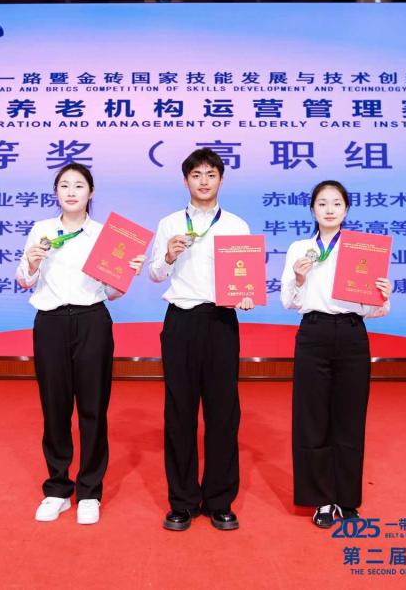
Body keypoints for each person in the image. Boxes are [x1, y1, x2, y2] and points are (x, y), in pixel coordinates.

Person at [15, 163, 146, 525]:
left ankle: (89, 491)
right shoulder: (42, 230)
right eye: (64, 185)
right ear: (56, 192)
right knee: (54, 408)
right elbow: (24, 280)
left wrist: (126, 274)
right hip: (50, 322)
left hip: (92, 322)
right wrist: (31, 264)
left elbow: (111, 292)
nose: (71, 191)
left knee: (93, 408)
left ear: (91, 192)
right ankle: (57, 489)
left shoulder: (105, 235)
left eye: (78, 185)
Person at [148, 147, 255, 531]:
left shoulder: (237, 226)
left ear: (221, 179)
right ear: (185, 180)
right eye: (196, 175)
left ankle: (220, 500)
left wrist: (246, 296)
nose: (204, 181)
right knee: (179, 412)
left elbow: (245, 278)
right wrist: (169, 256)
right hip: (181, 320)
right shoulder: (169, 223)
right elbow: (154, 274)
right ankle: (182, 501)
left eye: (211, 174)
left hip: (221, 321)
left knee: (223, 412)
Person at [279, 180, 392, 528]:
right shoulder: (299, 248)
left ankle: (346, 498)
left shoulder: (362, 249)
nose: (329, 209)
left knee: (350, 418)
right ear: (312, 209)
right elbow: (288, 302)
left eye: (337, 203)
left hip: (352, 333)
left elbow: (375, 310)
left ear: (346, 209)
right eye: (322, 203)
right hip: (313, 333)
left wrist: (382, 295)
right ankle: (322, 499)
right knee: (312, 418)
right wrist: (299, 279)